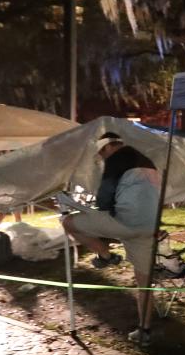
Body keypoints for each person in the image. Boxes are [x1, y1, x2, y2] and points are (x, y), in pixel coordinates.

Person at [61, 132, 160, 339]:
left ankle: (105, 255)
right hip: (150, 228)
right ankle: (145, 330)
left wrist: (92, 208)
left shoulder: (116, 160)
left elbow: (105, 199)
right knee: (144, 283)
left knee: (68, 222)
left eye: (101, 153)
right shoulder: (147, 161)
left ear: (107, 148)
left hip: (124, 223)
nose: (102, 158)